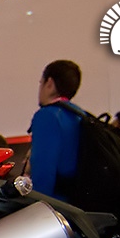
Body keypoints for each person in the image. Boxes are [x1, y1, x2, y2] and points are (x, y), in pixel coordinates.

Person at [27, 60, 82, 201]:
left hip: (56, 202)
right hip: (77, 200)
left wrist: (35, 203)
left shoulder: (47, 116)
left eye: (41, 83)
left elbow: (43, 170)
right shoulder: (80, 115)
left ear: (50, 83)